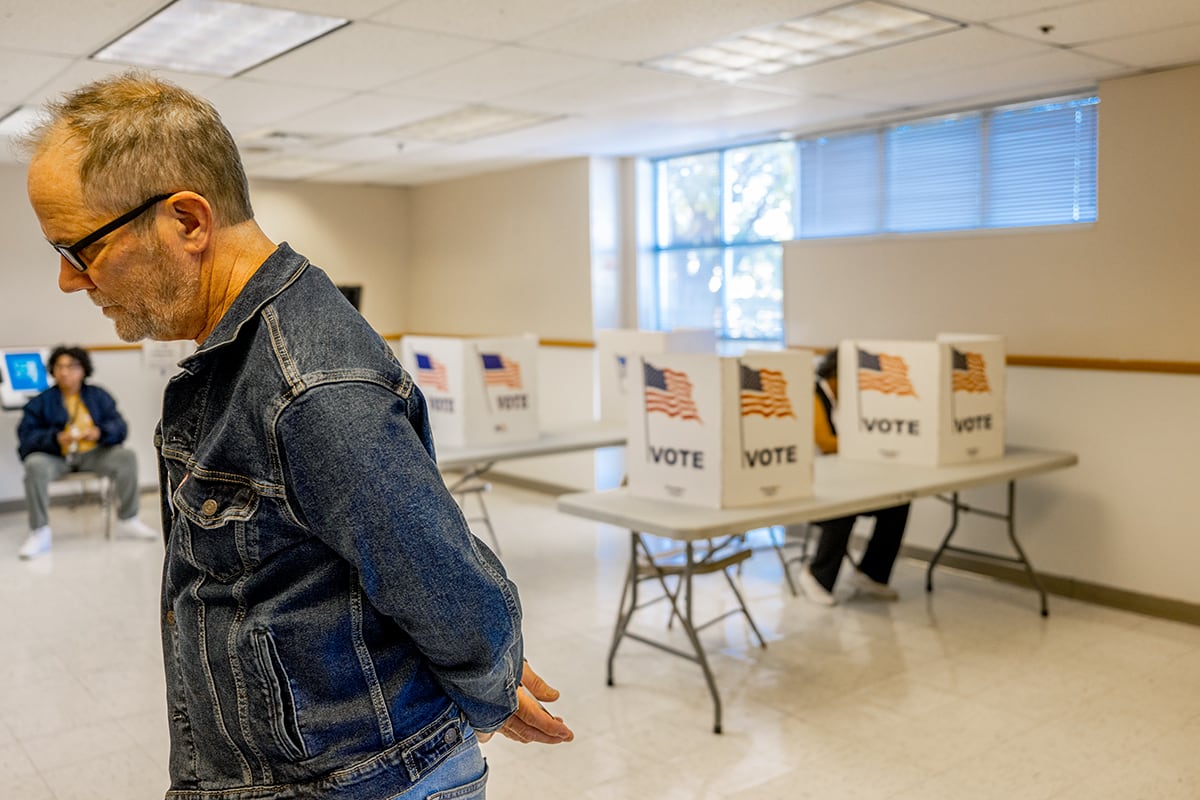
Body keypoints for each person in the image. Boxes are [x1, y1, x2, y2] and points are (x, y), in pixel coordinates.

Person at [23, 72, 572, 799]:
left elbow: (448, 585)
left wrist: (489, 681)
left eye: (77, 250)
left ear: (188, 221)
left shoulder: (307, 385)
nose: (69, 282)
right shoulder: (240, 354)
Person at [16, 344, 157, 558]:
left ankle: (128, 519)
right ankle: (40, 531)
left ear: (83, 370)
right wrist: (55, 438)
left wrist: (100, 433)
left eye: (72, 366)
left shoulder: (99, 396)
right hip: (57, 457)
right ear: (52, 370)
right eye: (59, 367)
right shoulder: (40, 402)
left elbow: (120, 427)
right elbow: (26, 437)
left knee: (126, 457)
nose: (65, 372)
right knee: (34, 464)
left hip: (93, 454)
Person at [795, 349, 911, 607]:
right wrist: (866, 443)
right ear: (838, 374)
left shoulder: (847, 401)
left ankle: (871, 573)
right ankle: (817, 575)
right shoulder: (813, 395)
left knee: (898, 503)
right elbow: (825, 442)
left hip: (848, 480)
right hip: (815, 488)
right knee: (842, 508)